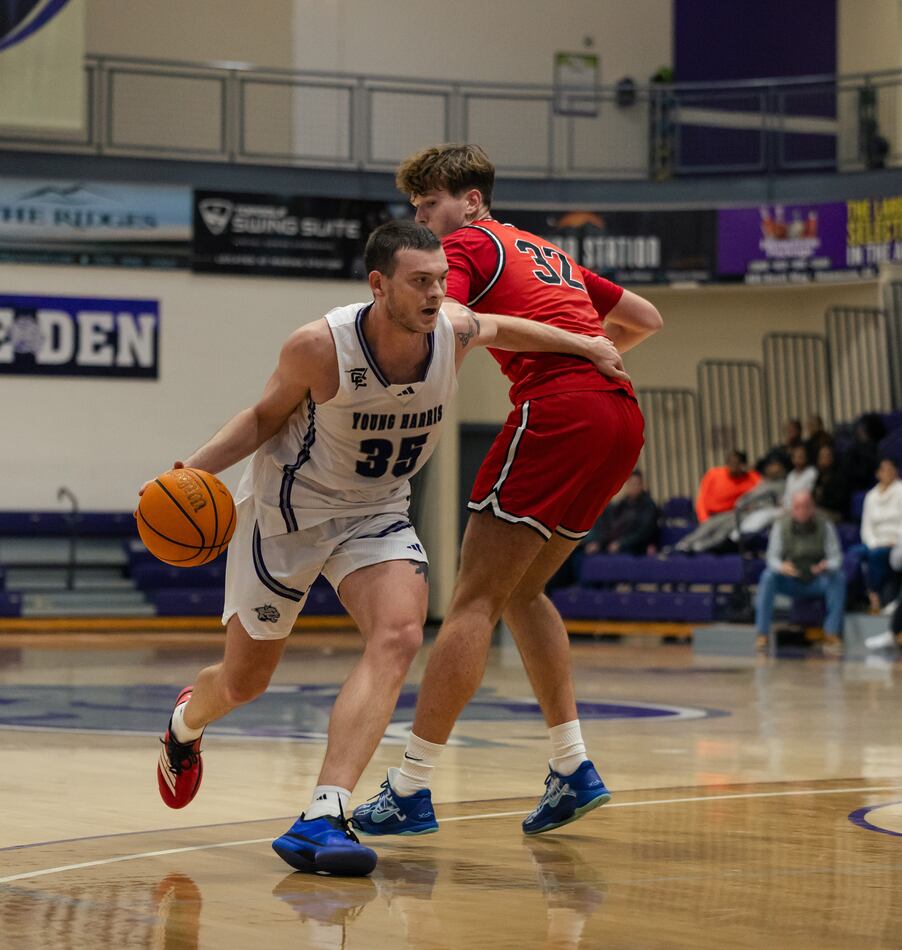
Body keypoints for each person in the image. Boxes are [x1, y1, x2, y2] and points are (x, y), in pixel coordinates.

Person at [147, 219, 629, 876]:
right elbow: (263, 418)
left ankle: (325, 812)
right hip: (289, 515)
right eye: (419, 282)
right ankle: (184, 724)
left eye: (440, 280)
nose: (436, 294)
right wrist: (190, 469)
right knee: (242, 682)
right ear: (379, 285)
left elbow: (506, 328)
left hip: (374, 512)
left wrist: (587, 346)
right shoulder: (319, 347)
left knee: (401, 634)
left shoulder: (453, 328)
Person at [352, 143, 661, 839]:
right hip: (619, 416)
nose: (424, 220)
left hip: (560, 412)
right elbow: (645, 318)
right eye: (416, 208)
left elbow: (447, 320)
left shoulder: (462, 244)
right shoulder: (541, 250)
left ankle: (411, 787)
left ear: (471, 200)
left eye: (429, 203)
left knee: (473, 601)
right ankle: (572, 766)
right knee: (522, 593)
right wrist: (589, 350)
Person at [754, 491, 845, 648]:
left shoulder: (825, 525)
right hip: (790, 579)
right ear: (792, 509)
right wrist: (781, 567)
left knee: (838, 577)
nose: (802, 511)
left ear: (813, 508)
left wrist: (826, 566)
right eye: (798, 507)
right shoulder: (780, 525)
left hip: (817, 579)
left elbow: (836, 558)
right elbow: (771, 558)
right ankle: (762, 633)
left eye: (806, 506)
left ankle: (832, 633)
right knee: (768, 576)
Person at [674, 457, 784, 554]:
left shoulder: (777, 483)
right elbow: (746, 498)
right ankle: (684, 544)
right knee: (711, 523)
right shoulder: (763, 482)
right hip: (735, 511)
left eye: (774, 465)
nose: (771, 469)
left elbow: (776, 504)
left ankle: (700, 547)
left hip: (751, 514)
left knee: (725, 528)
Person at [857, 457, 902, 610]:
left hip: (895, 541)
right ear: (877, 474)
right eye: (884, 469)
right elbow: (866, 527)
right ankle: (857, 598)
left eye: (891, 469)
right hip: (875, 541)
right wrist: (873, 543)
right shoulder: (871, 496)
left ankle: (873, 592)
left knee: (877, 555)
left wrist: (896, 539)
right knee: (852, 554)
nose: (888, 472)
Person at [583, 470, 658, 555]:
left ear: (642, 485)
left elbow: (643, 533)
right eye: (630, 484)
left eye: (636, 484)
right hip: (615, 544)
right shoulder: (622, 504)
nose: (633, 487)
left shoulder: (648, 506)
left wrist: (621, 543)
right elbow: (611, 526)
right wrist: (599, 542)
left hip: (636, 547)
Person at [692, 450, 762, 526]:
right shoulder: (713, 474)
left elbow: (764, 488)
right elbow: (701, 500)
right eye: (730, 463)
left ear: (743, 465)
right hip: (711, 515)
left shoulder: (750, 477)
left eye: (736, 463)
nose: (732, 467)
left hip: (733, 516)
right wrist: (705, 520)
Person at [812, 443, 850, 522]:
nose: (823, 459)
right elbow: (813, 494)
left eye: (826, 456)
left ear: (832, 457)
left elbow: (839, 502)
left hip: (836, 513)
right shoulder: (820, 476)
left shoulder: (840, 476)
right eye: (821, 456)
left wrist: (821, 501)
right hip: (820, 510)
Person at [781, 443, 817, 509]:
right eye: (796, 456)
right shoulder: (790, 475)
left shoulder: (812, 472)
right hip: (787, 509)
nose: (798, 458)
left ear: (806, 457)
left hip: (803, 509)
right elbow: (787, 495)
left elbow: (807, 494)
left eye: (801, 455)